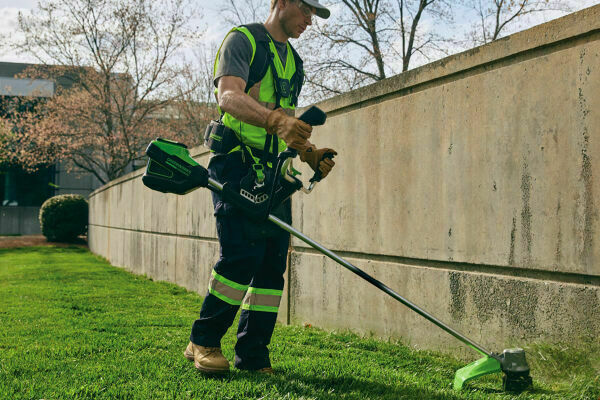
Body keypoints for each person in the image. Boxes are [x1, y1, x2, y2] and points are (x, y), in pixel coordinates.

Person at [184, 0, 337, 374]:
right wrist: (274, 121)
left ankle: (252, 355)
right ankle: (203, 341)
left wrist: (309, 153)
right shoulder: (244, 41)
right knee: (240, 256)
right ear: (282, 2)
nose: (308, 21)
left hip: (273, 172)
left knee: (270, 265)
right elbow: (229, 97)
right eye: (305, 10)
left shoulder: (294, 62)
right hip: (235, 164)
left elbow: (286, 122)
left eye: (314, 15)